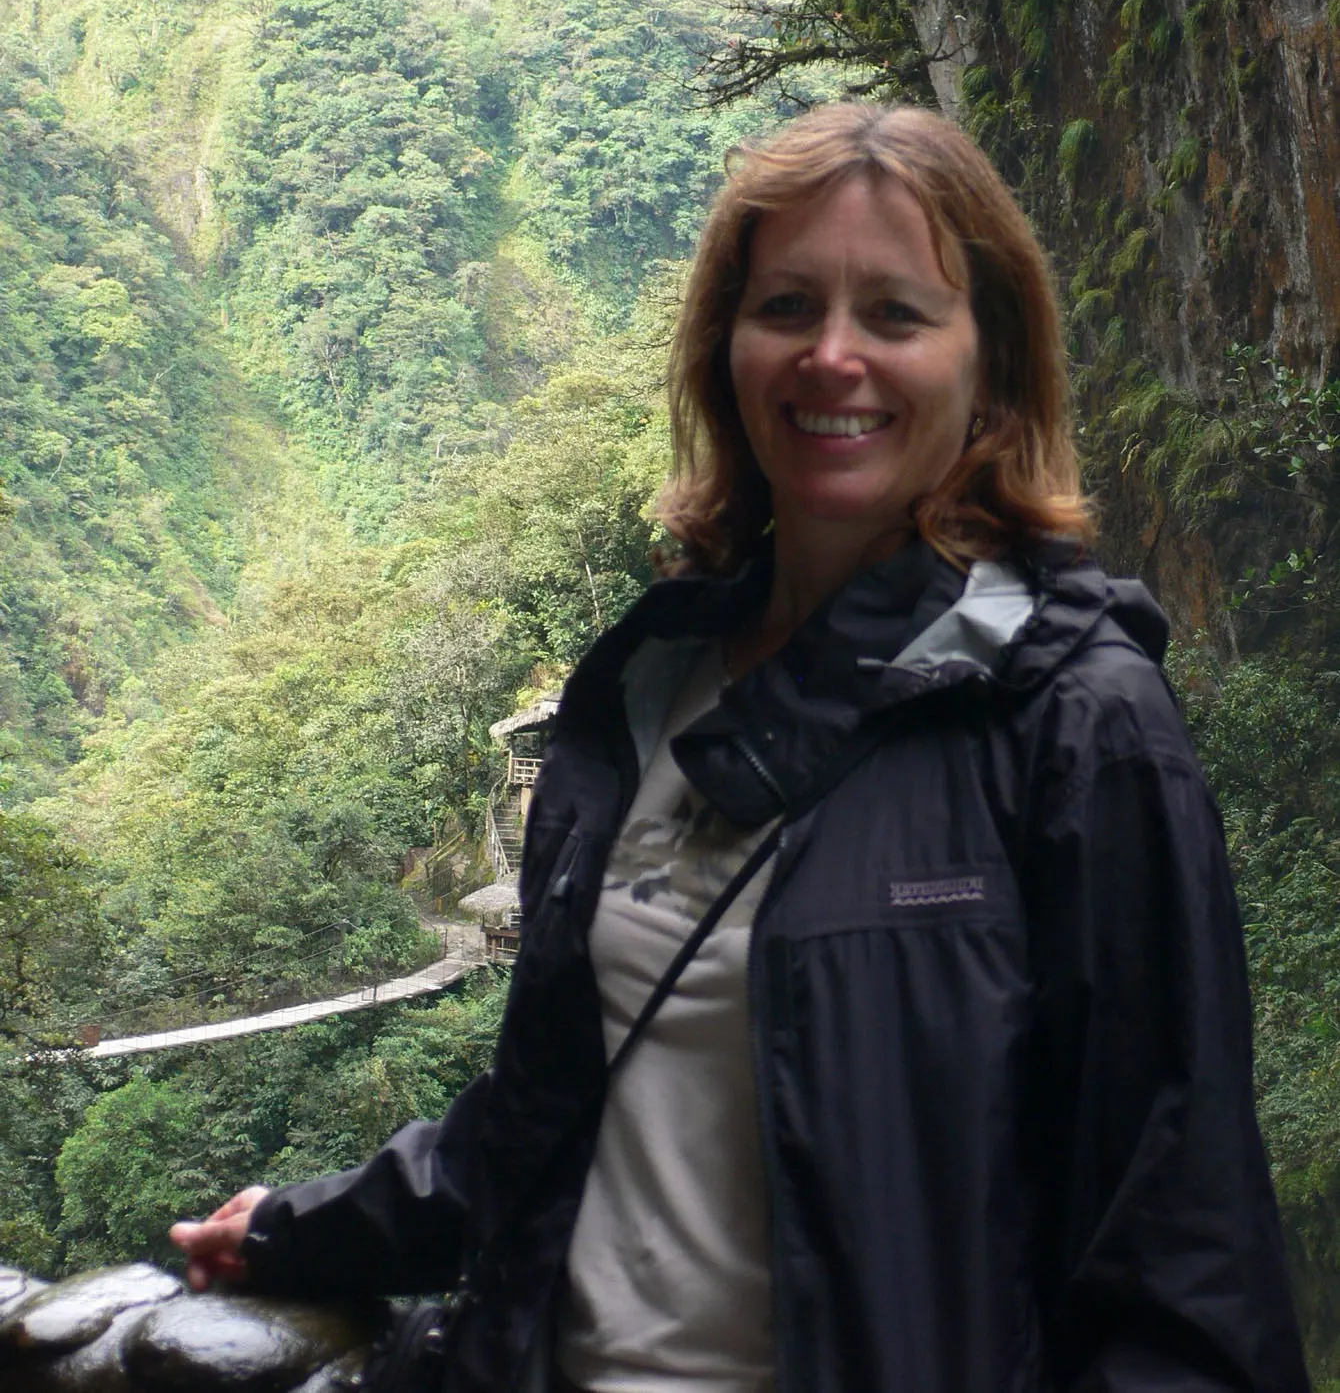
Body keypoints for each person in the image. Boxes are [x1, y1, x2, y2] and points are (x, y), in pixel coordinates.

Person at [172, 105, 1309, 1392]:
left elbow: (1176, 1249)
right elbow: (564, 1117)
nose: (831, 356)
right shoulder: (648, 685)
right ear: (725, 347)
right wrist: (296, 1227)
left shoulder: (1070, 719)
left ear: (989, 364)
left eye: (894, 313)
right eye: (785, 306)